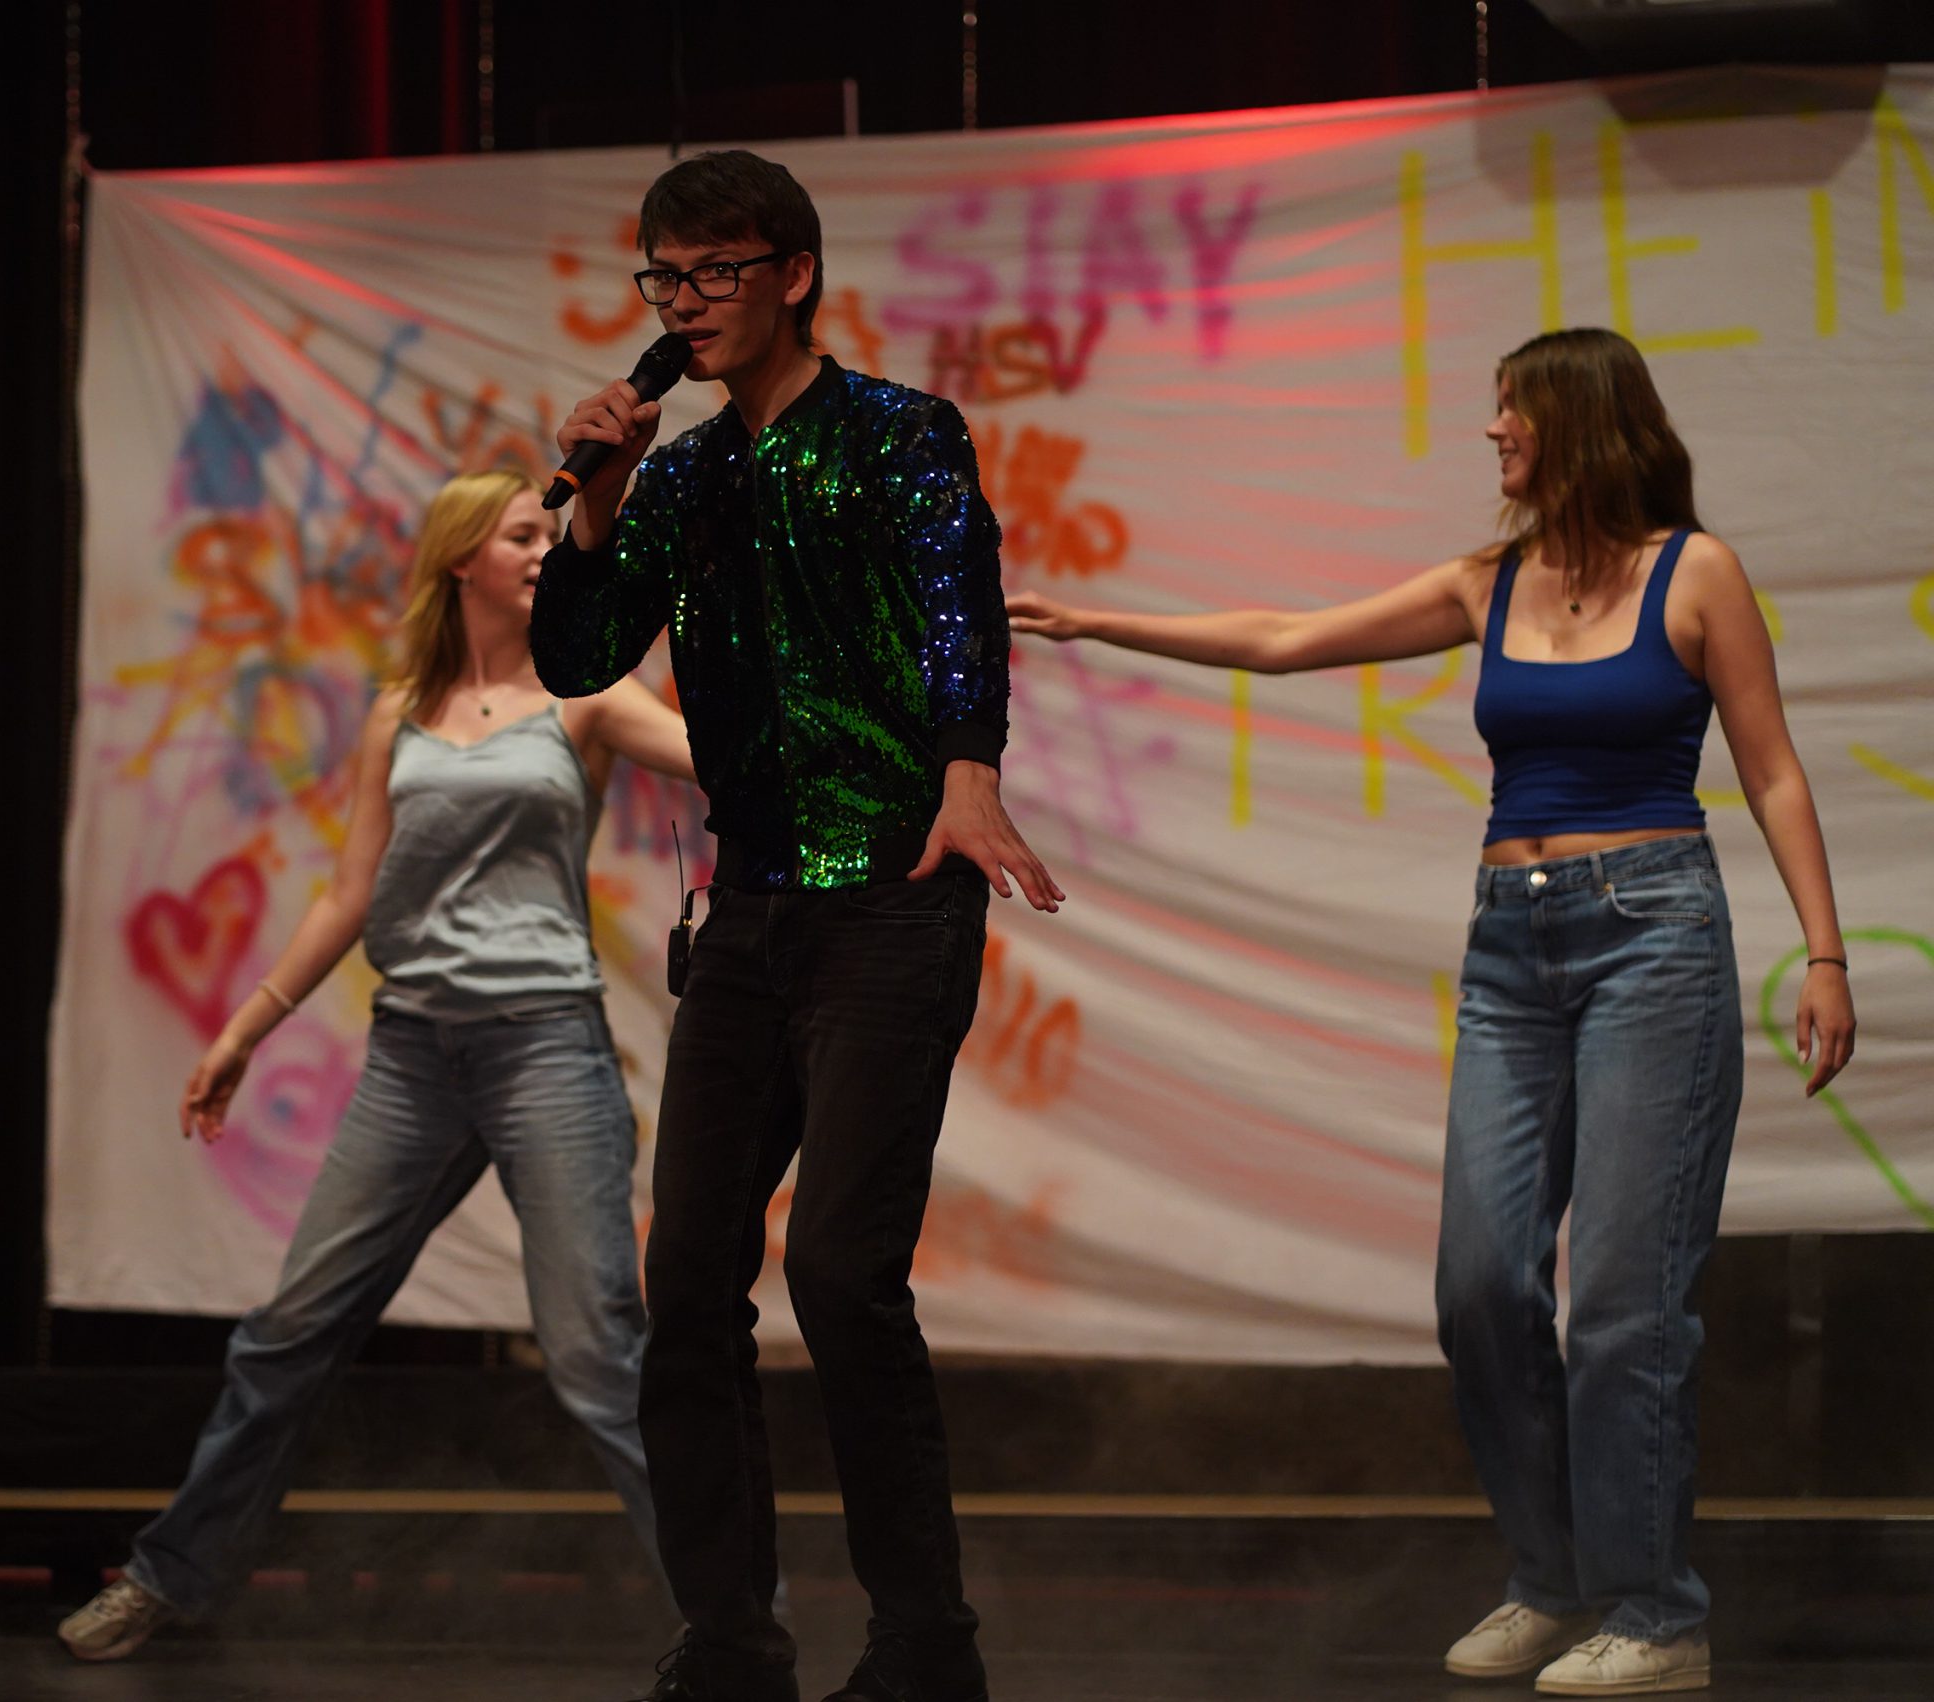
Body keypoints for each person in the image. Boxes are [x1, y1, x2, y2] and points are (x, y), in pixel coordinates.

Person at [1005, 327, 1856, 1697]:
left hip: (1654, 937)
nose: (1493, 432)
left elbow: (1773, 773)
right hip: (1512, 945)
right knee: (1480, 1284)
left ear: (1579, 420)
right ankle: (1551, 1580)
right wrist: (1100, 621)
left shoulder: (1694, 572)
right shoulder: (1488, 581)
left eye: (1512, 410)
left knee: (1623, 1304)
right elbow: (1287, 640)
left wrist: (1825, 953)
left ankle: (1656, 1609)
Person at [535, 150, 1063, 1702]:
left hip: (889, 902)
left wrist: (968, 772)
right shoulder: (686, 472)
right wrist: (600, 493)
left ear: (794, 275)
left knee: (839, 1269)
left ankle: (925, 1643)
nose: (685, 303)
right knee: (688, 1277)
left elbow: (960, 606)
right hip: (747, 916)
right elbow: (577, 653)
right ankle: (729, 1636)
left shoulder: (901, 432)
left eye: (715, 271)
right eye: (664, 277)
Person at [56, 468, 697, 1663]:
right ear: (461, 559)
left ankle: (730, 1616)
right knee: (285, 1334)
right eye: (522, 536)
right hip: (414, 1057)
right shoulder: (396, 712)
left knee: (599, 1353)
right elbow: (351, 892)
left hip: (544, 1047)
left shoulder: (589, 692)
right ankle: (172, 1574)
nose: (544, 552)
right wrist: (243, 1030)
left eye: (551, 536)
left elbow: (730, 758)